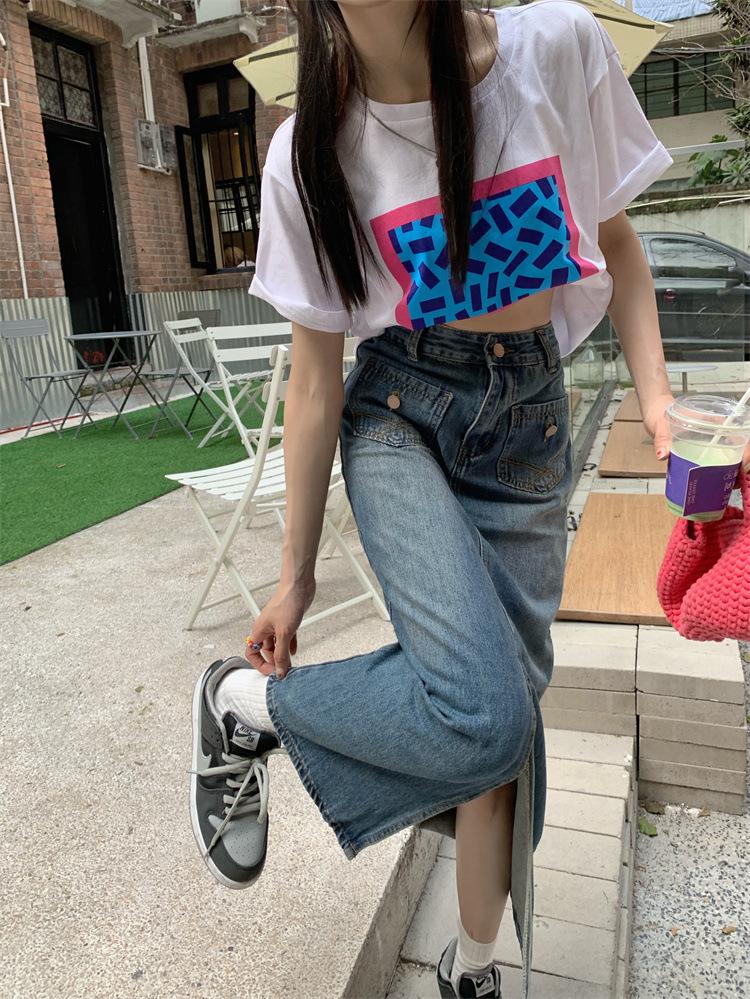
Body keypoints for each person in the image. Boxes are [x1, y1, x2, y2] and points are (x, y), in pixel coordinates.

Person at [188, 2, 680, 996]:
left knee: (501, 734)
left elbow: (619, 247)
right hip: (401, 419)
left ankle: (473, 968)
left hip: (528, 427)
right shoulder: (306, 154)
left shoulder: (554, 49)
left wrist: (660, 405)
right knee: (488, 714)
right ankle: (241, 706)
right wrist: (295, 577)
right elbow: (315, 381)